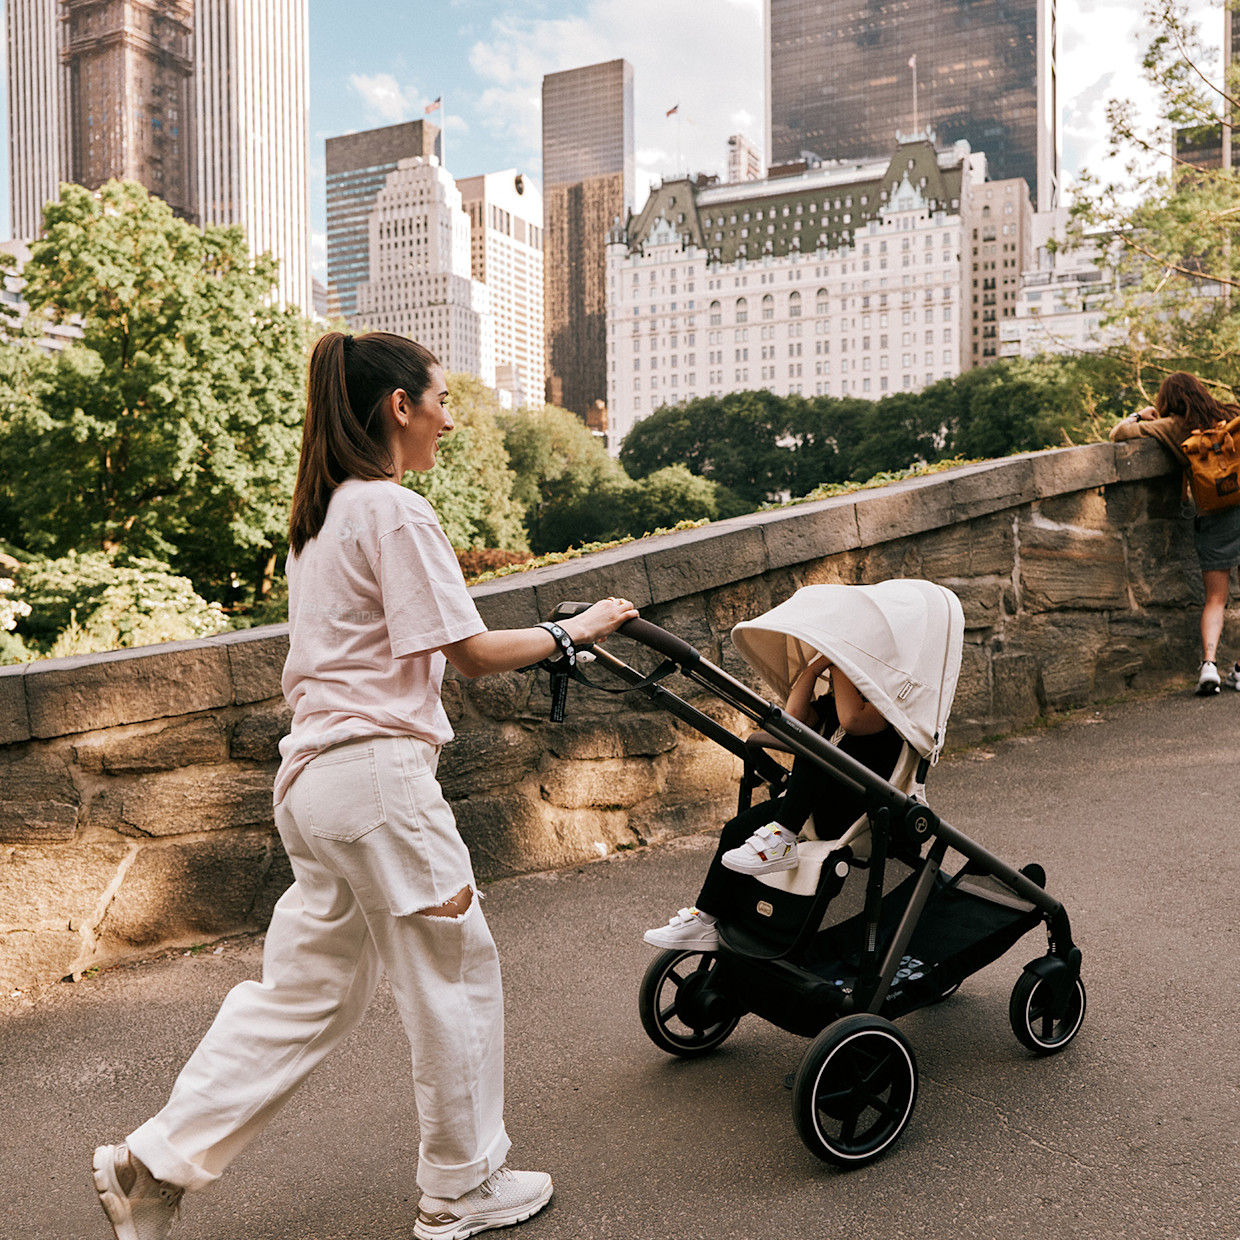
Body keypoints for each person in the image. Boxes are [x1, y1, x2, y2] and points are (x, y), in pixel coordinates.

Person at [90, 331, 638, 1240]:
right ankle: (462, 1190)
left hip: (313, 785)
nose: (449, 420)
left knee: (304, 995)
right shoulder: (392, 511)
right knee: (453, 975)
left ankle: (152, 1163)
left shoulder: (321, 520)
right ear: (398, 407)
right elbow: (469, 658)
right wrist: (576, 629)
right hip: (378, 784)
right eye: (440, 401)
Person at [643, 654, 904, 951]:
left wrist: (840, 661)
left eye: (838, 671)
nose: (834, 677)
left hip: (850, 815)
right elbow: (790, 719)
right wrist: (815, 667)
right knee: (736, 830)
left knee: (817, 751)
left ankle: (782, 838)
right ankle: (704, 919)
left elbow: (852, 719)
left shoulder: (884, 712)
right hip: (811, 808)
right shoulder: (831, 707)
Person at [1110, 371, 1240, 696]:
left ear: (1167, 400)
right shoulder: (1232, 414)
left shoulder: (1171, 426)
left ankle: (1209, 664)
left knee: (1215, 599)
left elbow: (1118, 434)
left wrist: (1139, 415)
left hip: (1214, 517)